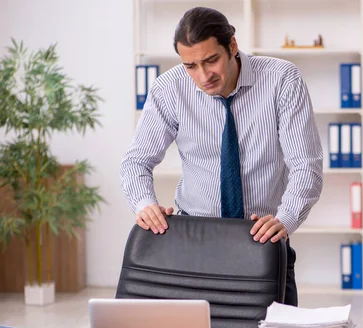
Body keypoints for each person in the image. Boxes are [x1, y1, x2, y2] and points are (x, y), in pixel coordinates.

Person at [119, 6, 323, 307]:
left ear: (232, 46)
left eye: (211, 60)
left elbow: (306, 166)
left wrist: (287, 218)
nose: (203, 76)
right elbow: (136, 161)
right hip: (192, 246)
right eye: (191, 65)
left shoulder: (282, 80)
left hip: (261, 243)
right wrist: (144, 203)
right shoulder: (170, 88)